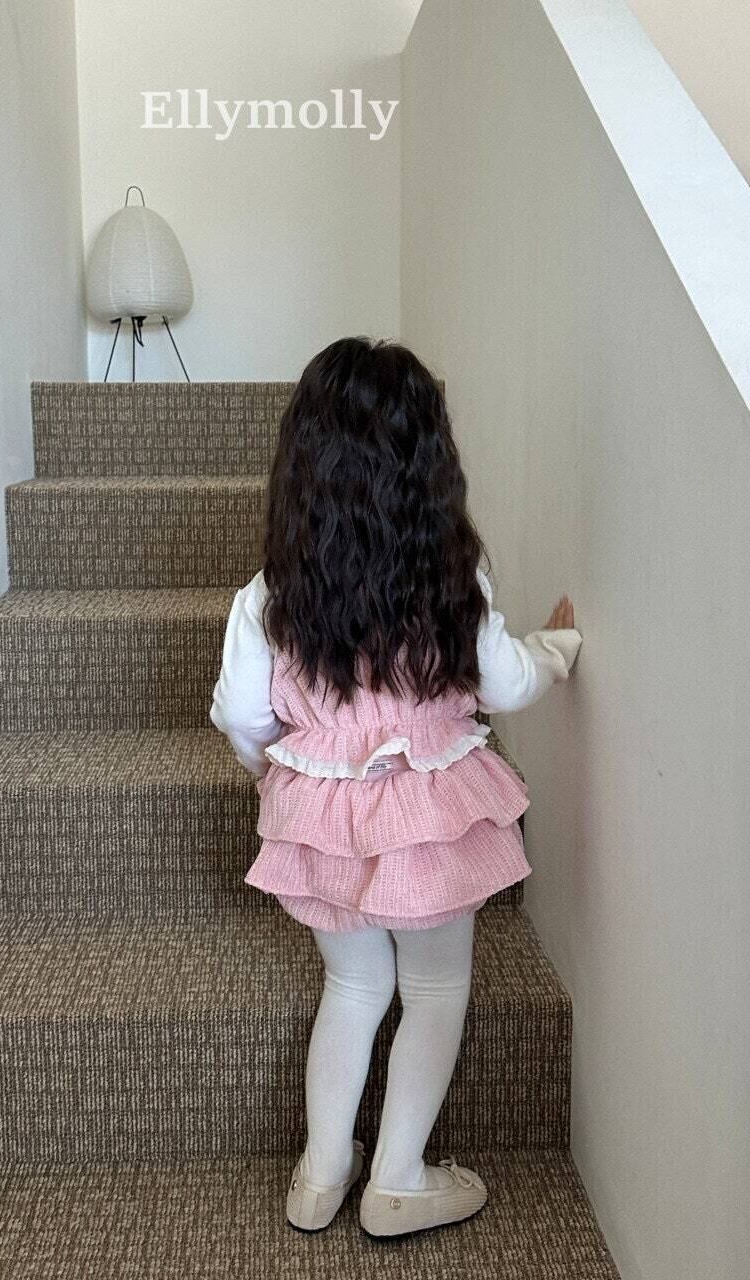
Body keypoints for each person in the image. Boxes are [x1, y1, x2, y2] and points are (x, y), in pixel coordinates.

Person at [209, 336, 582, 1240]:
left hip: (323, 820)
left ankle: (320, 1173)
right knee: (437, 990)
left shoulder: (270, 596)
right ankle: (399, 1178)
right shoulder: (454, 581)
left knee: (352, 987)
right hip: (428, 814)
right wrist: (557, 647)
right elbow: (505, 685)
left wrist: (287, 778)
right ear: (430, 467)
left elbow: (239, 714)